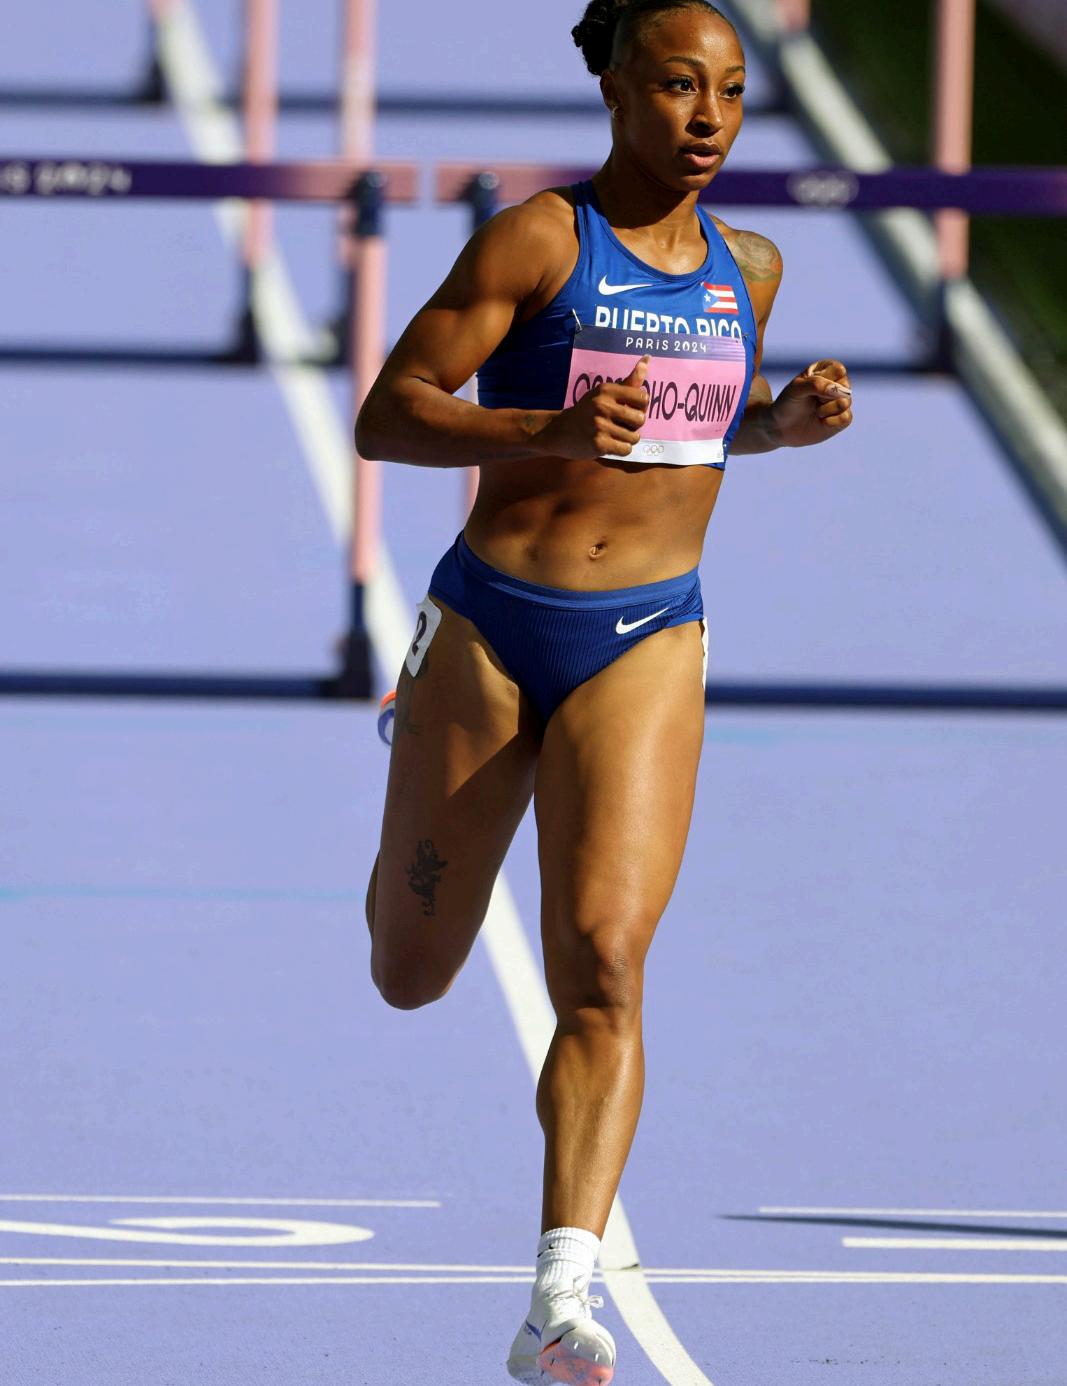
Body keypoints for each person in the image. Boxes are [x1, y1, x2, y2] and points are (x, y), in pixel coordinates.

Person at [355, 0, 852, 1379]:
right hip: (494, 626)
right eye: (680, 86)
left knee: (606, 962)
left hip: (647, 637)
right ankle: (419, 749)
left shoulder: (749, 269)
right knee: (410, 971)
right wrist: (546, 428)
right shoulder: (536, 240)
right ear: (619, 92)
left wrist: (776, 426)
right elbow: (387, 413)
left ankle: (559, 1299)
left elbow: (700, 429)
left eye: (731, 93)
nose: (708, 119)